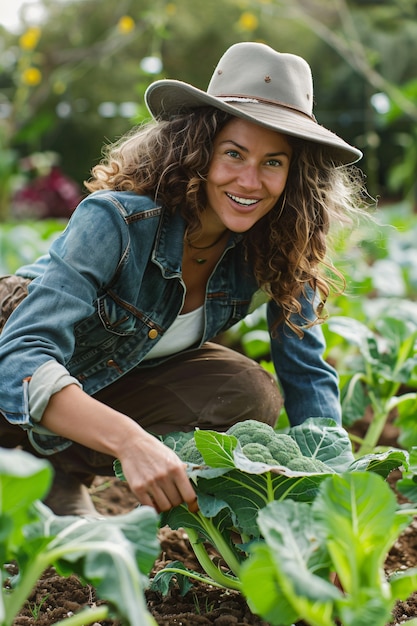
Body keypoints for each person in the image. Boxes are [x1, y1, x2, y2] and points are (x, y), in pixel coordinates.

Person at [0, 41, 366, 517]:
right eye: (234, 154)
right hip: (9, 339)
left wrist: (336, 512)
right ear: (197, 149)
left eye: (273, 162)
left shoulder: (277, 253)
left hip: (84, 389)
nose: (251, 181)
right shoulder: (117, 221)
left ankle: (55, 472)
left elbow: (308, 378)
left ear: (295, 176)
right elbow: (20, 361)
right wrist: (131, 442)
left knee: (244, 389)